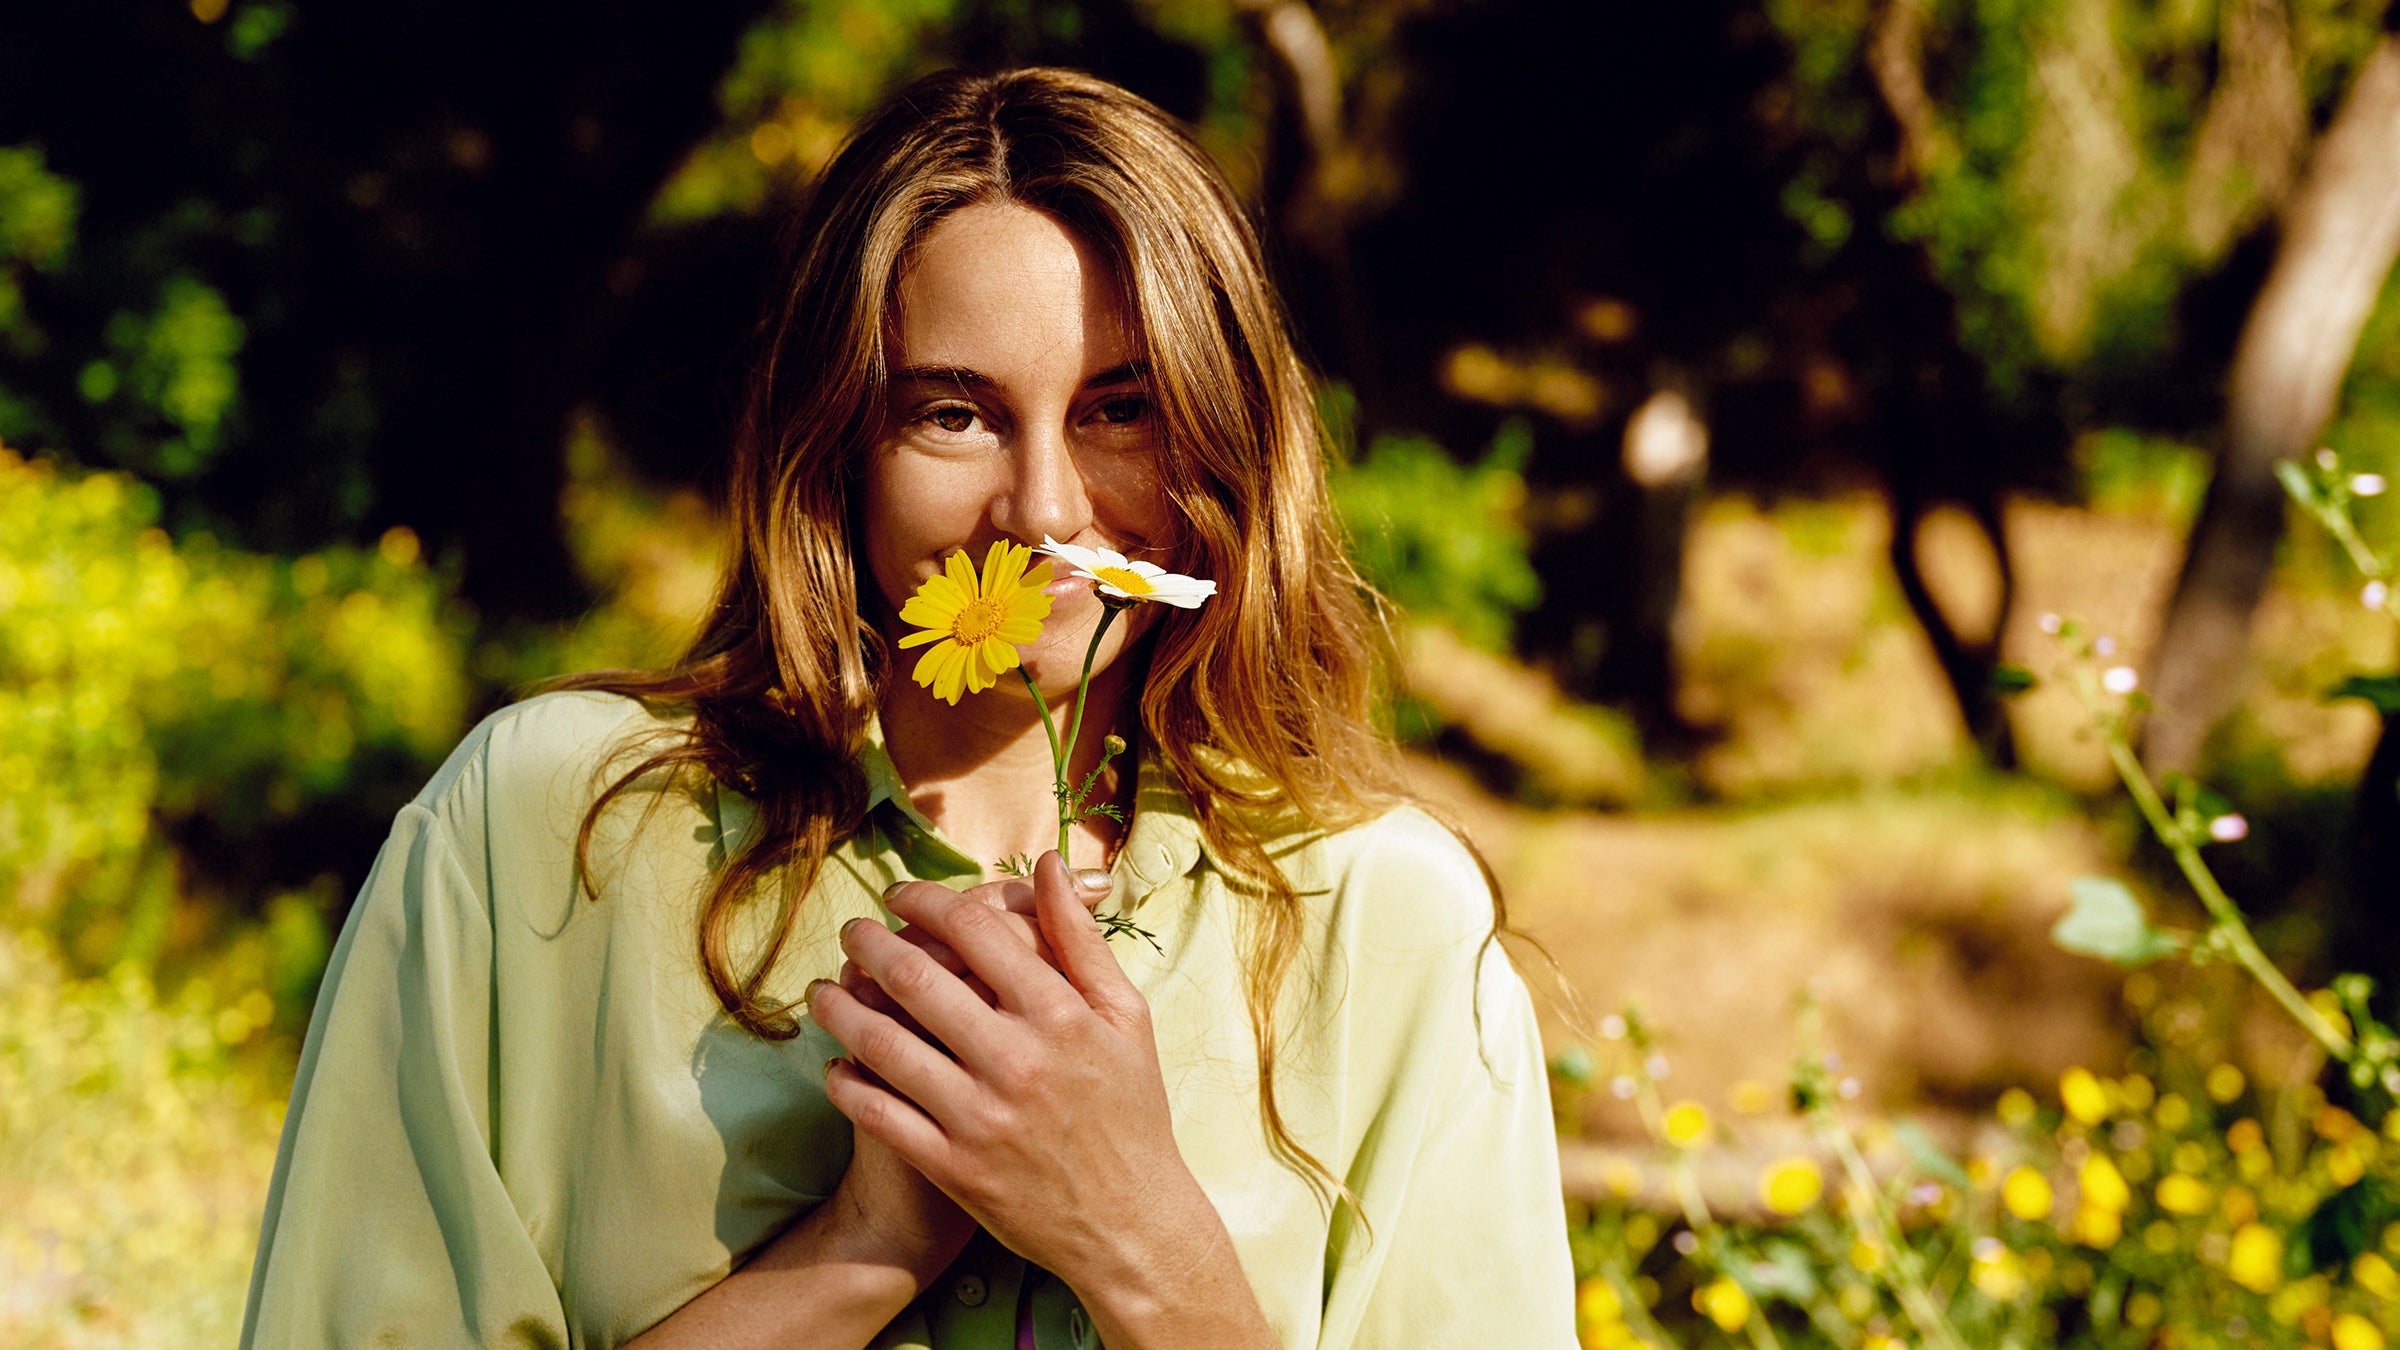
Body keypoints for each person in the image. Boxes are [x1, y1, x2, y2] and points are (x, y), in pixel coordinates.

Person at [240, 66, 1575, 1349]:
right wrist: (865, 1241)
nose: (1045, 510)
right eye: (953, 413)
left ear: (1224, 437)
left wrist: (1146, 1244)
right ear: (838, 443)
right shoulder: (549, 834)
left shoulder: (1388, 923)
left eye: (1122, 409)